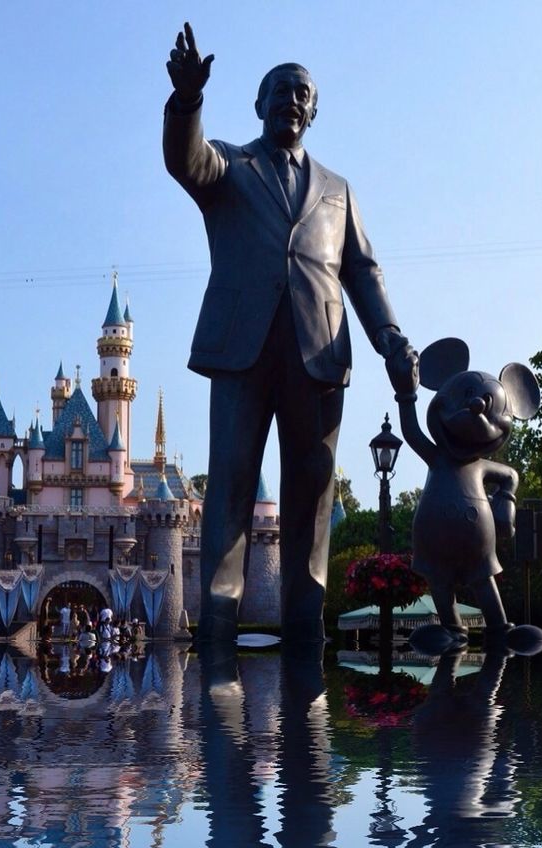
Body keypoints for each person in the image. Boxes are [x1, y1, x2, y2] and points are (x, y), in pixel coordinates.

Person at [164, 23, 418, 647]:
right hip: (241, 351)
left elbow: (362, 270)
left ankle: (307, 631)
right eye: (280, 90)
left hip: (319, 354)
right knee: (229, 492)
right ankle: (219, 633)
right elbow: (183, 158)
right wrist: (188, 101)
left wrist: (390, 337)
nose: (292, 99)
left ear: (314, 110)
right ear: (258, 104)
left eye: (303, 92)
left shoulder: (338, 190)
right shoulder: (229, 164)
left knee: (309, 498)